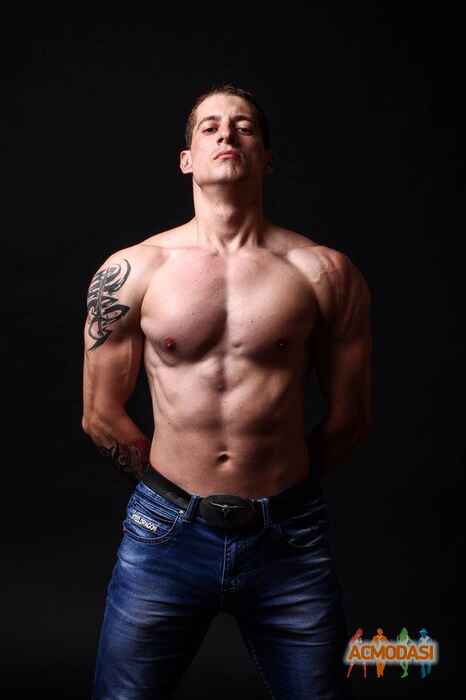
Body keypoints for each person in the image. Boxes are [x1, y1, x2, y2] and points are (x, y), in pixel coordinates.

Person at [83, 83, 372, 700]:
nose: (227, 134)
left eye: (244, 126)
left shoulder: (324, 272)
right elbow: (100, 414)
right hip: (164, 534)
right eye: (210, 126)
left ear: (265, 157)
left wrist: (282, 487)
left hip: (288, 538)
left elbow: (350, 418)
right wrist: (169, 495)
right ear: (186, 158)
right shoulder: (133, 270)